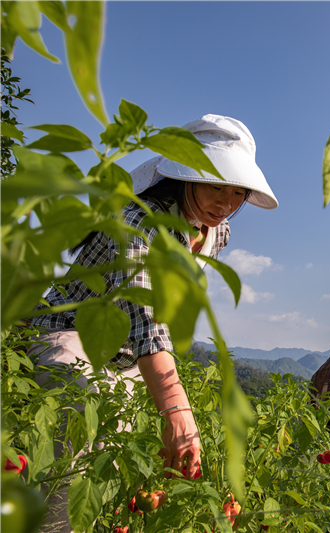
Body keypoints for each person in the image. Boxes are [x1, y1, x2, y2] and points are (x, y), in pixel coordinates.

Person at [27, 114, 277, 533]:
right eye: (215, 186)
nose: (226, 202)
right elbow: (144, 316)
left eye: (237, 192)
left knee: (119, 464)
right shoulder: (137, 219)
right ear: (185, 177)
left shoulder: (218, 232)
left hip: (126, 356)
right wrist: (177, 406)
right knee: (73, 452)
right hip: (73, 337)